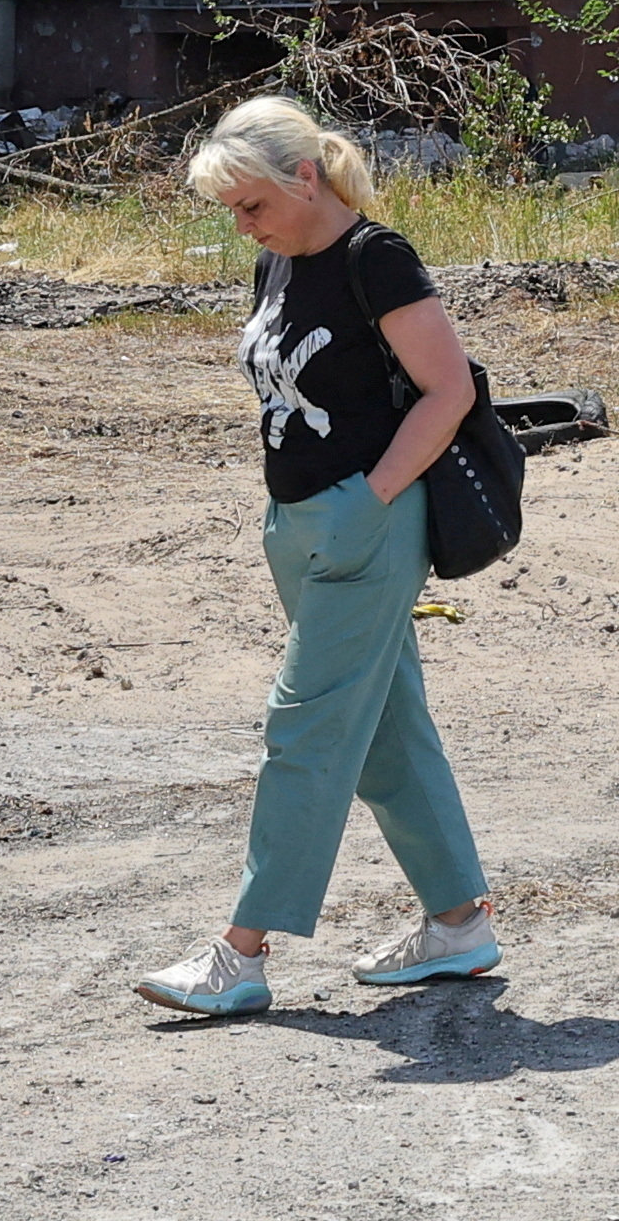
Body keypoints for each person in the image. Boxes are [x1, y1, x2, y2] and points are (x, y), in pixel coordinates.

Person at [134, 97, 500, 1014]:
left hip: (364, 529)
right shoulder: (278, 261)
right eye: (232, 211)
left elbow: (447, 388)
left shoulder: (377, 258)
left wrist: (367, 501)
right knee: (381, 726)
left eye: (250, 205)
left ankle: (240, 955)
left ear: (305, 179)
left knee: (303, 729)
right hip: (297, 529)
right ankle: (459, 924)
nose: (241, 224)